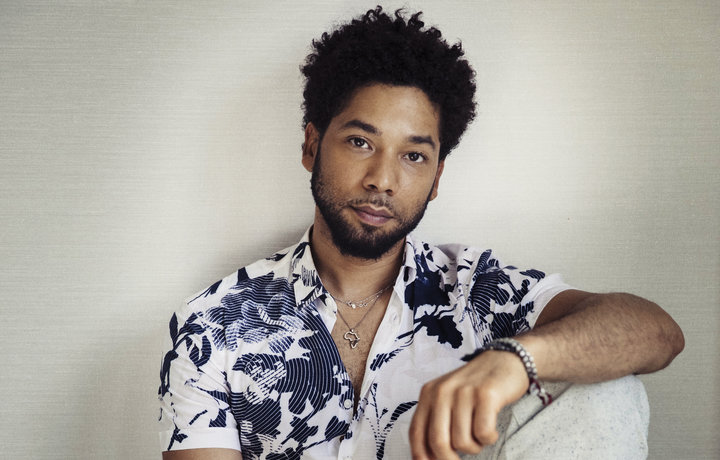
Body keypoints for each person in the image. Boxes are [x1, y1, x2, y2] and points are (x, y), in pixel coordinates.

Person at [158, 7, 684, 460]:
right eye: (361, 142)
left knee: (605, 383)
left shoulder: (477, 289)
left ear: (436, 179)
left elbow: (657, 333)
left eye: (413, 155)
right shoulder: (214, 325)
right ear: (312, 146)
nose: (382, 179)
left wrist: (517, 361)